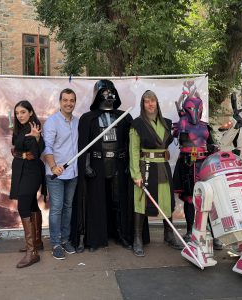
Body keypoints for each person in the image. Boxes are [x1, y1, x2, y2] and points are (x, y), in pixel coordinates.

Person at [72, 79, 134, 252]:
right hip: (97, 165)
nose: (108, 95)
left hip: (118, 165)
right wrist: (86, 165)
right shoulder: (88, 119)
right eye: (104, 92)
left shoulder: (124, 117)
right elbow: (83, 146)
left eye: (111, 92)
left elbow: (131, 144)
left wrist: (129, 164)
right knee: (96, 202)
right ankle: (95, 238)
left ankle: (121, 234)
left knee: (118, 201)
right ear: (98, 95)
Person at [129, 90, 182, 257]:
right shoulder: (137, 124)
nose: (150, 104)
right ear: (142, 105)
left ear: (157, 103)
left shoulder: (166, 122)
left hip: (163, 167)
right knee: (141, 203)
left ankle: (168, 234)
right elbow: (134, 151)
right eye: (146, 101)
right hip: (145, 168)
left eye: (152, 101)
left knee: (166, 200)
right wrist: (136, 174)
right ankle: (137, 238)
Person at [172, 82, 222, 249]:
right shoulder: (181, 124)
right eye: (190, 108)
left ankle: (212, 233)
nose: (194, 111)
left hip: (204, 165)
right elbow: (177, 137)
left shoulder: (205, 126)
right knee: (189, 199)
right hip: (187, 164)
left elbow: (213, 144)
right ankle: (188, 231)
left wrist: (214, 148)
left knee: (207, 199)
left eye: (196, 108)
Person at [10, 100, 46, 268]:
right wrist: (19, 152)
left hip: (31, 172)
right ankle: (37, 242)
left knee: (23, 206)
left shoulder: (34, 127)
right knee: (31, 205)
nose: (20, 115)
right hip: (21, 170)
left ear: (30, 112)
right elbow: (15, 148)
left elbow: (37, 152)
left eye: (23, 112)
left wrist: (37, 137)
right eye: (17, 113)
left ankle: (32, 253)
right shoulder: (19, 129)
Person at [43, 88, 78, 260]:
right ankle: (56, 243)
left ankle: (65, 240)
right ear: (60, 102)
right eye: (65, 100)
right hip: (55, 174)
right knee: (57, 208)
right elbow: (46, 147)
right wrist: (53, 165)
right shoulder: (52, 122)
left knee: (68, 208)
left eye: (72, 100)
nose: (68, 103)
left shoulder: (77, 122)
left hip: (73, 173)